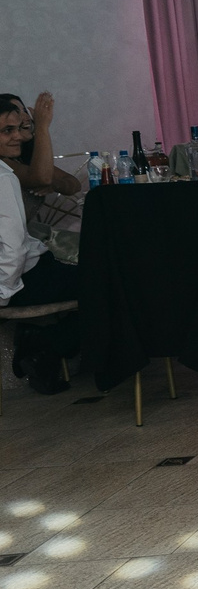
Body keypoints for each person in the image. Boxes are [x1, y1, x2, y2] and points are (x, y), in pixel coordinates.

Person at [0, 103, 82, 392]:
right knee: (113, 281)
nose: (18, 136)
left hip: (25, 266)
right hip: (20, 275)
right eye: (8, 130)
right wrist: (3, 295)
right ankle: (47, 344)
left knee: (108, 274)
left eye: (22, 128)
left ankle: (46, 348)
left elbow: (70, 184)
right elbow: (12, 248)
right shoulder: (4, 174)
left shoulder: (17, 165)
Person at [0, 93, 80, 195]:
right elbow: (41, 179)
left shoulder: (25, 152)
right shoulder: (3, 161)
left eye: (25, 111)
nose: (26, 117)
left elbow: (74, 183)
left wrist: (54, 185)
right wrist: (41, 125)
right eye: (17, 112)